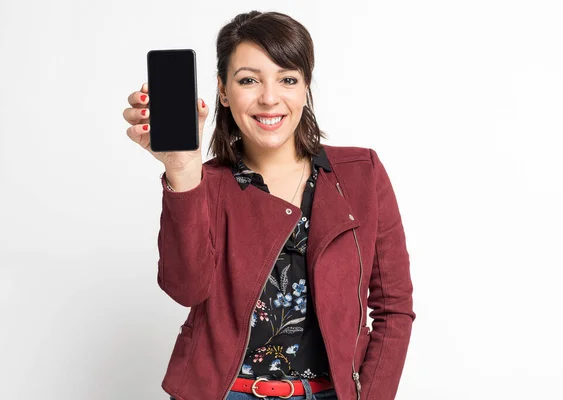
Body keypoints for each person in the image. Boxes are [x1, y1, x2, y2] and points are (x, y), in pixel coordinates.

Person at [123, 10, 415, 400]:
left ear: (306, 87)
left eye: (288, 79)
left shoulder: (362, 173)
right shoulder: (202, 185)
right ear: (223, 91)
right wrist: (182, 171)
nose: (269, 98)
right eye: (248, 80)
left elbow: (393, 308)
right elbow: (185, 288)